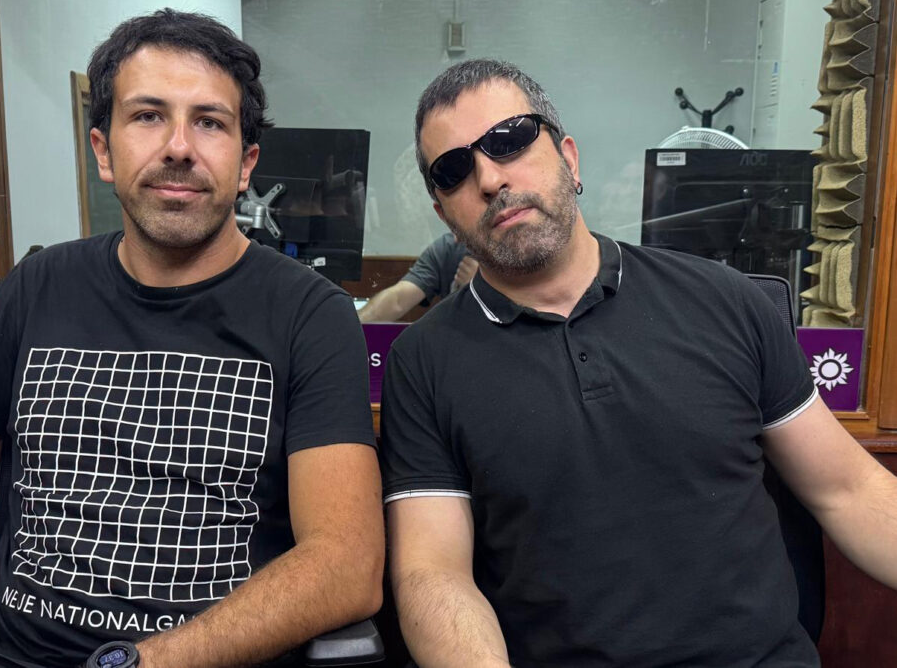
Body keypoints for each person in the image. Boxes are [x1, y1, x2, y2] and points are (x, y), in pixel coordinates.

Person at [0, 10, 383, 668]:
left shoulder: (310, 315)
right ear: (103, 150)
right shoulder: (38, 286)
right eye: (148, 116)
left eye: (209, 122)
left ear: (246, 164)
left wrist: (137, 664)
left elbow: (345, 562)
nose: (178, 146)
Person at [380, 58, 897, 667]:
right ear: (444, 214)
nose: (490, 179)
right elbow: (434, 575)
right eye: (454, 170)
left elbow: (849, 490)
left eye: (510, 140)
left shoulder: (724, 300)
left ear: (569, 159)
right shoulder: (423, 362)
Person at [357, 233, 475, 322]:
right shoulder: (448, 247)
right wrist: (354, 326)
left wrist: (479, 287)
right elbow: (398, 300)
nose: (457, 238)